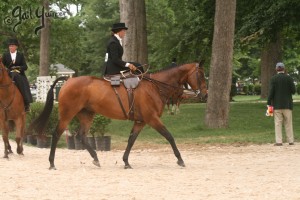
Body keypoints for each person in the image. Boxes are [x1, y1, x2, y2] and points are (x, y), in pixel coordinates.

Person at [267, 62, 296, 146]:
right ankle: (290, 140)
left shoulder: (274, 79)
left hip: (277, 105)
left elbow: (271, 92)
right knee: (288, 123)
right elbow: (294, 91)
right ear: (284, 69)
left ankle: (279, 141)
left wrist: (268, 102)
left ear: (276, 69)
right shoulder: (289, 78)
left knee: (278, 123)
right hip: (287, 105)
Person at [2, 38, 33, 112]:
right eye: (10, 46)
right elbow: (2, 66)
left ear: (16, 47)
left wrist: (18, 67)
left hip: (19, 74)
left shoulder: (20, 55)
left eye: (12, 46)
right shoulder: (5, 55)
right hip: (8, 74)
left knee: (22, 82)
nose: (11, 47)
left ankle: (26, 103)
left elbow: (25, 67)